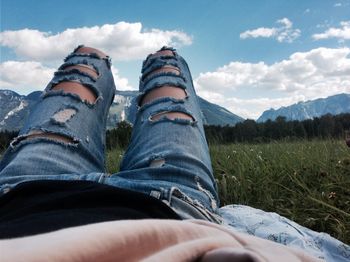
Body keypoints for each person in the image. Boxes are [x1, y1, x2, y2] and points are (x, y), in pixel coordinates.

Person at [0, 46, 347, 261]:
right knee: (164, 64)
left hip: (21, 195)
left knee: (85, 62)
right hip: (170, 202)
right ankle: (154, 60)